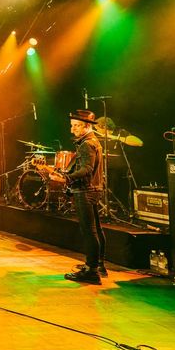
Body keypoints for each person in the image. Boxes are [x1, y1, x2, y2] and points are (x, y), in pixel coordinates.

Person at [52, 110, 106, 284]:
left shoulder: (86, 144)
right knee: (97, 229)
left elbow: (86, 170)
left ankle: (92, 271)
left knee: (89, 231)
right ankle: (98, 265)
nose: (72, 129)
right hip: (95, 189)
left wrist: (66, 177)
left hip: (86, 191)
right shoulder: (94, 142)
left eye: (76, 126)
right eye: (72, 125)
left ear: (87, 126)